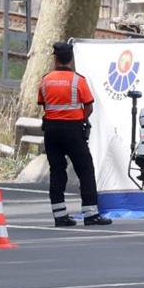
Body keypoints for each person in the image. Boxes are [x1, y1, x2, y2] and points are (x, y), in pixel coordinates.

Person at [37, 42, 111, 227]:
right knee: (85, 169)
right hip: (72, 130)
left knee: (57, 171)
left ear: (55, 58)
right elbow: (89, 106)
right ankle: (91, 214)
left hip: (51, 130)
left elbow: (44, 104)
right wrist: (79, 119)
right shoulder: (78, 80)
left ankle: (60, 216)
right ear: (71, 59)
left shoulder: (45, 80)